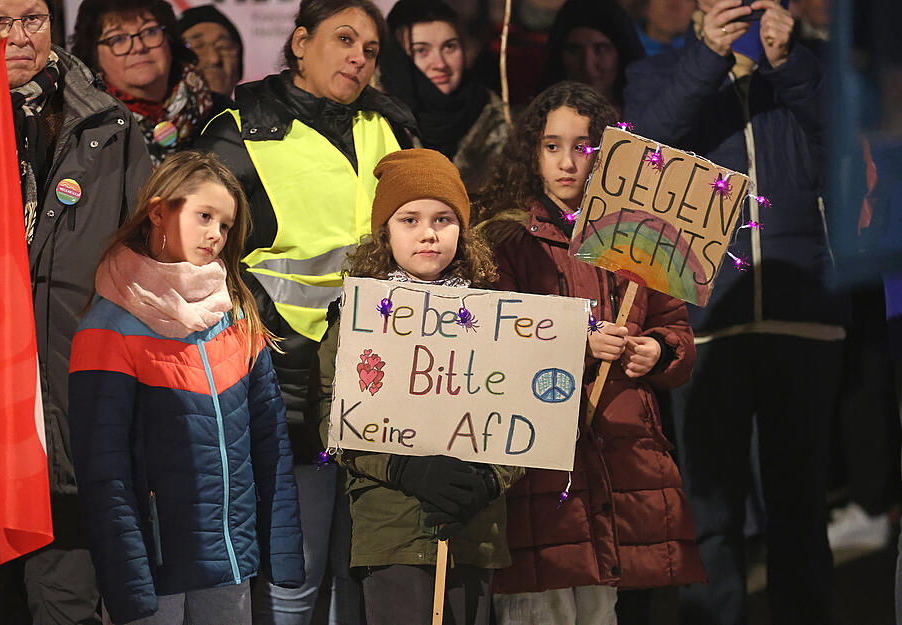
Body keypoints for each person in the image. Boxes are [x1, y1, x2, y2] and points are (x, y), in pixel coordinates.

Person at [194, 1, 418, 623]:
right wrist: (269, 334)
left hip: (382, 378)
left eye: (371, 49)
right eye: (344, 40)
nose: (358, 58)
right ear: (298, 42)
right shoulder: (236, 133)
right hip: (283, 381)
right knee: (296, 573)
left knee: (361, 571)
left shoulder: (391, 126)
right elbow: (202, 259)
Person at [624, 1, 846, 623]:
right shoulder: (658, 71)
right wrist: (708, 58)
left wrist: (789, 65)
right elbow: (645, 146)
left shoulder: (811, 64)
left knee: (799, 506)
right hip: (705, 313)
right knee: (709, 510)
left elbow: (846, 143)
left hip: (802, 304)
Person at [476, 81, 705, 625]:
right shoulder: (507, 239)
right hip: (541, 457)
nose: (568, 161)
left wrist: (657, 350)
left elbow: (676, 329)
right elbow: (495, 340)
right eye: (553, 145)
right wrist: (578, 340)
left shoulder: (640, 235)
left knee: (605, 604)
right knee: (540, 603)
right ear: (532, 152)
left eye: (584, 146)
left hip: (622, 454)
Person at [0, 0, 152, 621]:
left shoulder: (108, 129)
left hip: (65, 420)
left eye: (34, 18)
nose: (19, 37)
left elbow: (143, 276)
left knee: (69, 603)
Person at [67, 151, 304, 625]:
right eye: (204, 216)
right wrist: (128, 583)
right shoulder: (109, 327)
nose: (216, 234)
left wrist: (280, 552)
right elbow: (105, 473)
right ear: (158, 212)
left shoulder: (235, 313)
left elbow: (269, 445)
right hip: (156, 570)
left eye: (226, 224)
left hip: (230, 564)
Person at [315, 148, 521, 625]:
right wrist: (404, 468)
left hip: (473, 527)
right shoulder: (356, 318)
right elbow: (332, 415)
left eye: (443, 218)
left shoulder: (497, 316)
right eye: (409, 218)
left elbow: (526, 414)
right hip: (392, 527)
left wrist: (491, 477)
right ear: (385, 232)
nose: (428, 232)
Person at [70, 0, 230, 165]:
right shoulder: (84, 129)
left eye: (150, 31)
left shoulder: (222, 114)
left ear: (170, 39)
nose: (139, 47)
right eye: (118, 39)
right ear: (94, 56)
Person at [379, 0, 508, 191]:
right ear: (397, 58)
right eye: (421, 50)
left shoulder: (497, 122)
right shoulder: (376, 123)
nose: (440, 63)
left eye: (449, 47)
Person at [537, 0, 645, 111]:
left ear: (622, 54)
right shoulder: (535, 121)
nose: (588, 65)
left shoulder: (650, 119)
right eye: (575, 50)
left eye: (601, 49)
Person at [178, 5, 243, 97]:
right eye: (197, 46)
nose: (214, 59)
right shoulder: (154, 111)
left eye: (223, 47)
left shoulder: (258, 110)